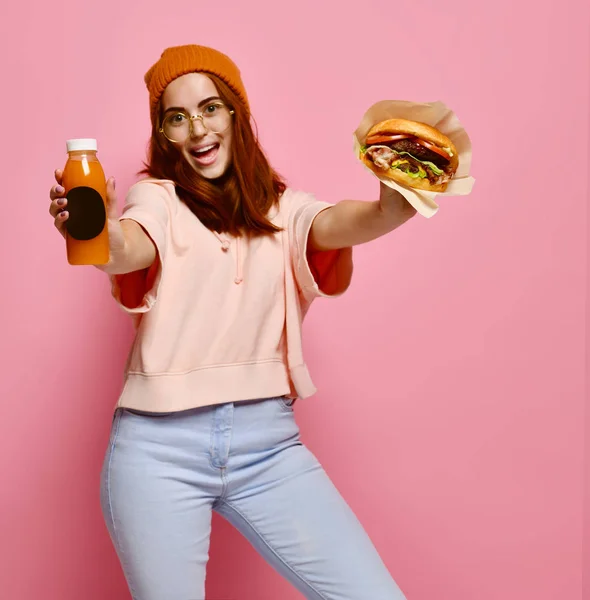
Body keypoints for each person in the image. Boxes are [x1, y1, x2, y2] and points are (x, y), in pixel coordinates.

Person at [48, 44, 415, 600]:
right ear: (164, 134)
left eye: (211, 107)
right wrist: (93, 225)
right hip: (157, 452)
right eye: (177, 117)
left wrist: (393, 204)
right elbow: (126, 247)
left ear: (237, 114)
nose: (197, 128)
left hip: (269, 448)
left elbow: (341, 222)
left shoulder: (283, 208)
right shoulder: (158, 199)